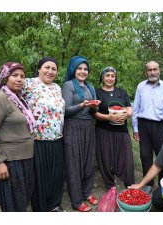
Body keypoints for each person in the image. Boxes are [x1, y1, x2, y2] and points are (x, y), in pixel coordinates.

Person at [0, 62, 35, 212]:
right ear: (4, 77)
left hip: (24, 159)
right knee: (12, 206)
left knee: (22, 203)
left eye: (22, 76)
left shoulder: (18, 100)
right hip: (9, 162)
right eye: (15, 75)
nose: (19, 79)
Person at [23, 57, 65, 212]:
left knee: (55, 174)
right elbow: (9, 96)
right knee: (40, 176)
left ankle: (54, 205)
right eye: (47, 67)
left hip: (57, 137)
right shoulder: (29, 83)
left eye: (54, 69)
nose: (50, 71)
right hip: (37, 138)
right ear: (39, 69)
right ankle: (40, 209)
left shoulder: (57, 88)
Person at [62, 56, 100, 212]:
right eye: (79, 68)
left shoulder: (90, 87)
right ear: (73, 69)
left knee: (88, 160)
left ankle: (86, 192)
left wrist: (95, 106)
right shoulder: (68, 85)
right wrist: (82, 105)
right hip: (73, 126)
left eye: (85, 69)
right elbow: (65, 110)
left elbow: (94, 110)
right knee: (74, 163)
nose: (83, 71)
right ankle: (77, 200)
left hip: (88, 126)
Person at [132, 61, 163, 194]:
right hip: (143, 125)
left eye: (155, 69)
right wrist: (135, 128)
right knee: (145, 157)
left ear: (159, 71)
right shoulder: (141, 86)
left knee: (162, 157)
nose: (152, 72)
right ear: (146, 72)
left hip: (161, 126)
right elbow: (135, 109)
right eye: (149, 70)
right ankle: (149, 184)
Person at [94, 66, 135, 190]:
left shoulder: (121, 91)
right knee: (106, 158)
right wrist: (108, 117)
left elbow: (129, 106)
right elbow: (94, 113)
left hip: (121, 130)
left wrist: (127, 114)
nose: (110, 78)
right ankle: (110, 184)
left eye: (113, 76)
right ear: (102, 77)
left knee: (126, 157)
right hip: (104, 130)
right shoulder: (97, 92)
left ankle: (128, 183)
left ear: (115, 78)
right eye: (107, 75)